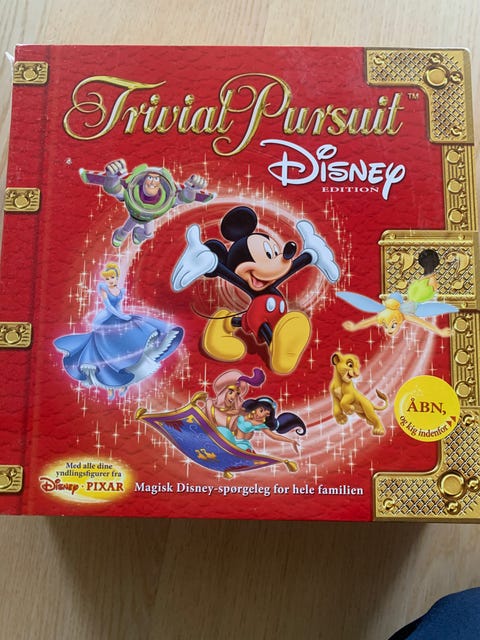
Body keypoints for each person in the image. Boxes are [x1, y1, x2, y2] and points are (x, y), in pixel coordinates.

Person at [54, 262, 183, 399]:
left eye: (112, 278)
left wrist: (123, 317)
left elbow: (118, 306)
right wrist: (121, 316)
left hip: (118, 317)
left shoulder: (120, 291)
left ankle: (123, 381)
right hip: (105, 318)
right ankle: (110, 385)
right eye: (107, 278)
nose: (110, 280)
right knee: (106, 348)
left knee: (129, 338)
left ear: (116, 277)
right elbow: (109, 307)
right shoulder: (104, 289)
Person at [218, 396, 305, 454]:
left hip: (241, 445)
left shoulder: (260, 424)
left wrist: (291, 441)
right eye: (261, 410)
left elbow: (274, 436)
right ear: (255, 408)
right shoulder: (244, 414)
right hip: (232, 439)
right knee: (222, 431)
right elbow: (230, 412)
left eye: (266, 414)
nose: (261, 415)